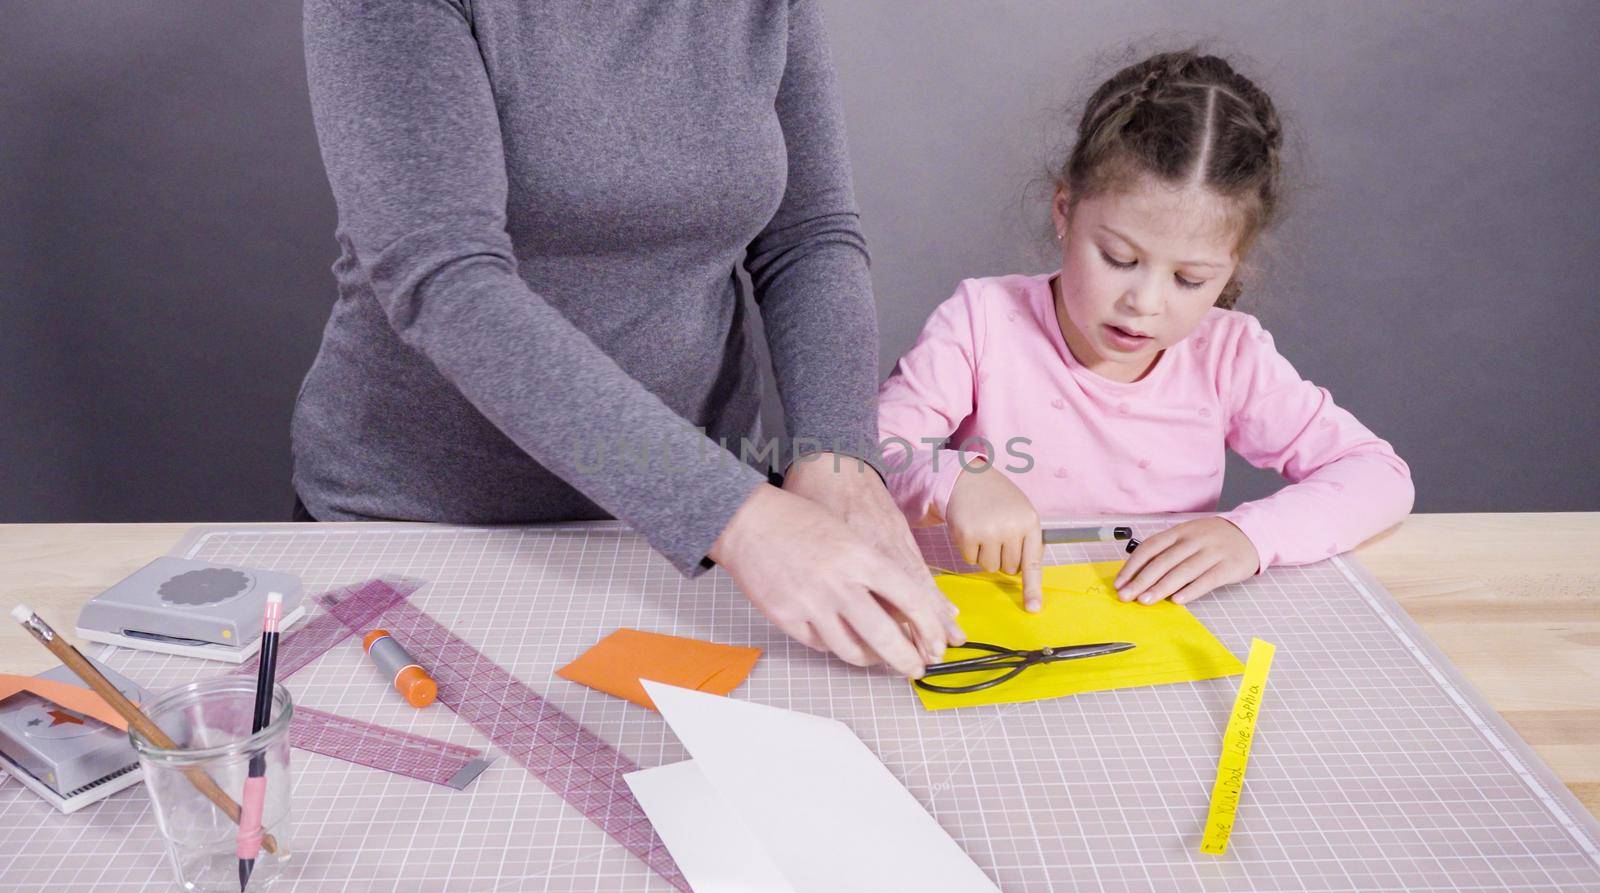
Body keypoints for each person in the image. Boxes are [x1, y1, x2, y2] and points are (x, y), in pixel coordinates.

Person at [296, 0, 961, 677]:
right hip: (430, 525)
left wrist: (839, 455)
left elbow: (808, 239)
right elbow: (445, 280)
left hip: (698, 537)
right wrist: (738, 516)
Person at [877, 49, 1415, 612]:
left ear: (1234, 264)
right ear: (1065, 211)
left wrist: (1251, 536)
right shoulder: (981, 322)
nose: (1144, 303)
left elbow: (1379, 476)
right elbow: (850, 456)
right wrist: (954, 477)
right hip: (985, 619)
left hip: (1145, 630)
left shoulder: (1229, 355)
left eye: (1189, 278)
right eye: (1118, 257)